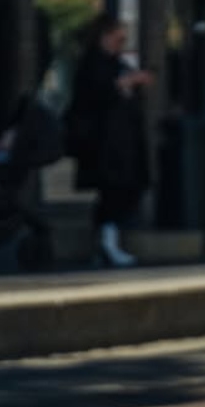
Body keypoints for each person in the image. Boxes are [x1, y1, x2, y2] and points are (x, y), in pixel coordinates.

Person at [65, 14, 153, 268]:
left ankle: (108, 238)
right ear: (105, 35)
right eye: (118, 36)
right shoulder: (93, 63)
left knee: (123, 189)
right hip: (104, 141)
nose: (121, 41)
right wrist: (125, 83)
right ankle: (107, 240)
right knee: (113, 189)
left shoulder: (116, 62)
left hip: (121, 141)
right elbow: (94, 94)